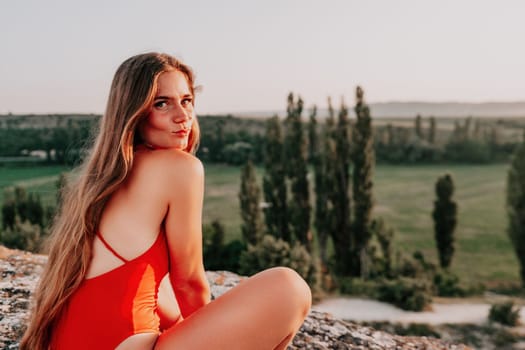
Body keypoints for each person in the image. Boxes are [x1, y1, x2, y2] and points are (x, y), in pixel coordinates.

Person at [20, 52, 311, 350]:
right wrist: (213, 331)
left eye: (186, 101)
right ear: (133, 113)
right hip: (125, 342)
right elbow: (189, 283)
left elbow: (160, 295)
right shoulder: (179, 168)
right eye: (162, 103)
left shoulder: (101, 182)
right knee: (289, 287)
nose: (182, 116)